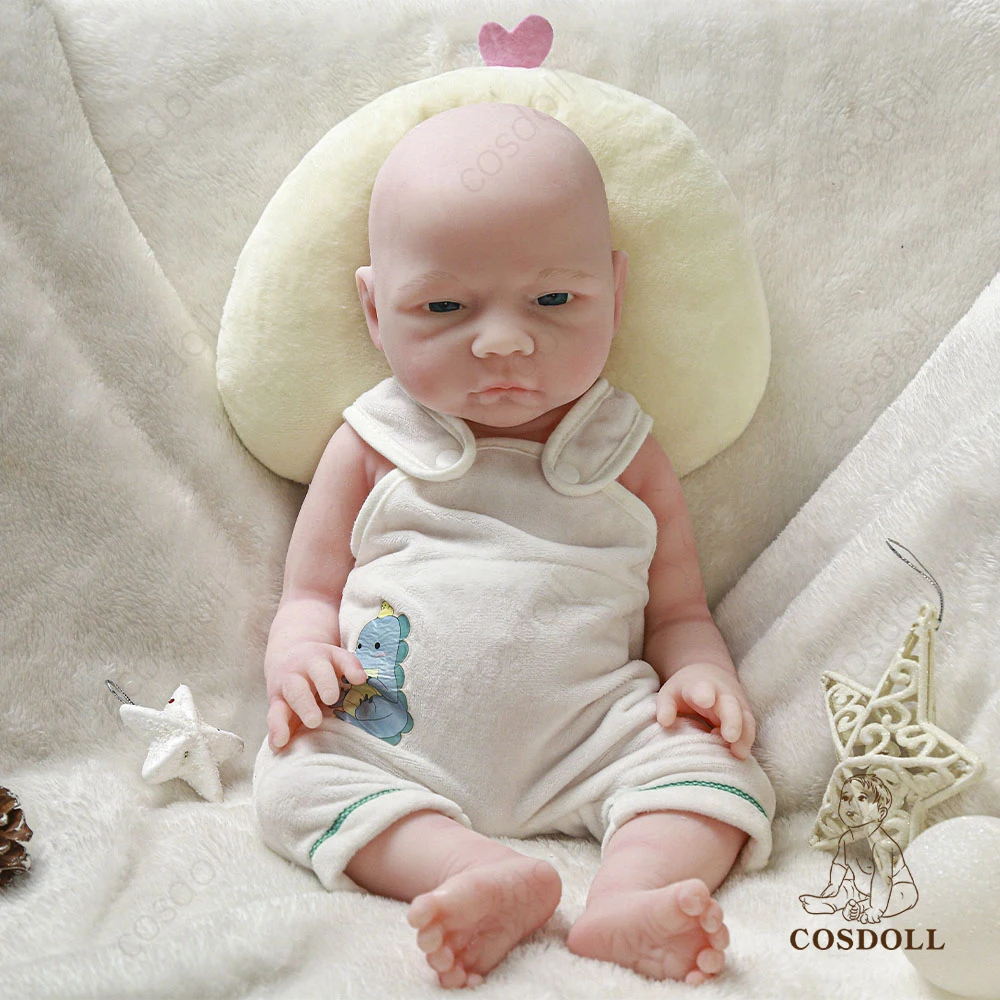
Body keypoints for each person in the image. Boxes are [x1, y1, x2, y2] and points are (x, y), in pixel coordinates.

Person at [252, 101, 775, 989]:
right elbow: (307, 594)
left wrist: (702, 675)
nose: (502, 341)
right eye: (443, 305)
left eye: (555, 299)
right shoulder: (372, 445)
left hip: (595, 739)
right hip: (388, 739)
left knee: (719, 773)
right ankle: (473, 872)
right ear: (375, 309)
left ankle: (632, 896)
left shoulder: (625, 451)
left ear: (616, 292)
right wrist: (298, 658)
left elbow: (679, 611)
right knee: (294, 778)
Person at [799, 773, 917, 922]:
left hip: (896, 888)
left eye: (861, 798)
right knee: (847, 888)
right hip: (861, 891)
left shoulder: (886, 836)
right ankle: (837, 903)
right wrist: (830, 892)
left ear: (881, 810)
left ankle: (874, 909)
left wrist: (876, 904)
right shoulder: (846, 838)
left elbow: (890, 875)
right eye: (845, 798)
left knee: (903, 896)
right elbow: (838, 875)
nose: (850, 804)